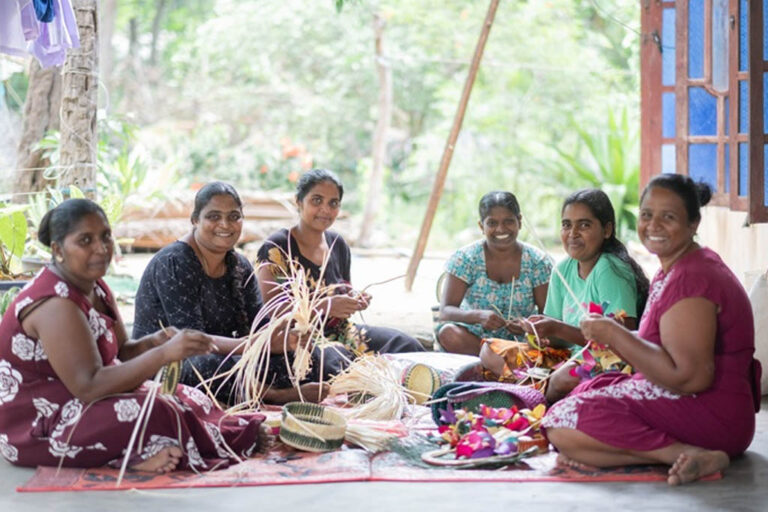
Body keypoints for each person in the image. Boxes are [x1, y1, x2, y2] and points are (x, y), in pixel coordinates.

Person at [0, 199, 263, 471]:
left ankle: (168, 445)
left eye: (105, 237)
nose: (101, 249)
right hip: (44, 424)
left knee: (187, 397)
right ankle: (133, 457)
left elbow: (122, 351)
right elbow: (89, 386)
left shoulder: (95, 285)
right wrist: (164, 354)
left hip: (85, 399)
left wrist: (156, 341)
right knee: (161, 411)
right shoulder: (55, 304)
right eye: (85, 241)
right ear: (58, 250)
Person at [542, 175, 760, 485]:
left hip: (711, 412)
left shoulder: (693, 279)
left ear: (693, 224)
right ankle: (612, 448)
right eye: (646, 215)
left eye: (668, 217)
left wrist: (614, 335)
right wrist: (611, 333)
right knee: (586, 390)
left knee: (561, 423)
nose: (653, 225)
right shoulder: (676, 267)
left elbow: (691, 378)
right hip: (697, 401)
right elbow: (657, 349)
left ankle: (686, 453)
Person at [133, 182, 325, 405]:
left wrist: (288, 338)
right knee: (205, 367)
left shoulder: (240, 266)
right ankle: (275, 396)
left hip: (223, 355)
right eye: (214, 216)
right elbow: (190, 341)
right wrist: (258, 345)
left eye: (234, 216)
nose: (225, 224)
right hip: (170, 362)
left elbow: (261, 327)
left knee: (310, 358)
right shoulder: (174, 262)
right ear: (195, 220)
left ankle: (252, 390)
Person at [256, 168, 424, 377]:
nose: (325, 210)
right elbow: (273, 310)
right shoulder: (279, 247)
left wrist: (354, 300)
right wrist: (326, 306)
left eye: (333, 203)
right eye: (316, 200)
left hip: (342, 333)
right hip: (299, 339)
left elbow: (342, 291)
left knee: (407, 345)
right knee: (333, 362)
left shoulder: (338, 244)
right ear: (298, 202)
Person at [436, 191, 552, 355]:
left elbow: (547, 314)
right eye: (492, 223)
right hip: (475, 341)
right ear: (481, 226)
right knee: (448, 334)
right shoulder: (466, 259)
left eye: (509, 221)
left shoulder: (537, 262)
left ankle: (499, 364)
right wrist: (478, 316)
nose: (501, 229)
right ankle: (503, 364)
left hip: (520, 343)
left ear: (519, 222)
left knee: (547, 343)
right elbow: (445, 311)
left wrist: (528, 326)